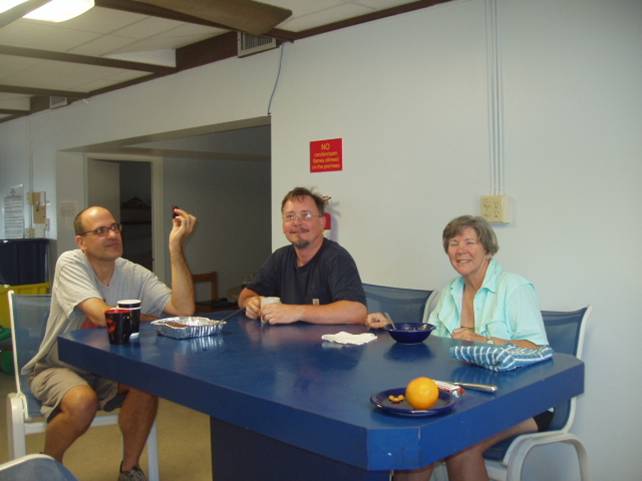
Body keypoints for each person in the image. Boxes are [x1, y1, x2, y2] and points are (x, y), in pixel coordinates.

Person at [367, 215, 548, 481]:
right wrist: (391, 328)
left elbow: (537, 349)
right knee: (418, 444)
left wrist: (483, 339)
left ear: (487, 248)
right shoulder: (450, 292)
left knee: (460, 446)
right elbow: (433, 343)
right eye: (453, 243)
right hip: (468, 397)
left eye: (469, 242)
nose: (460, 250)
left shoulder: (514, 287)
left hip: (523, 401)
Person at [23, 205, 197, 481]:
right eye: (101, 230)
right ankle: (48, 467)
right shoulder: (70, 262)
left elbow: (184, 310)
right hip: (59, 365)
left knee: (147, 382)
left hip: (110, 368)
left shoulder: (134, 272)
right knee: (82, 402)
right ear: (81, 242)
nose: (112, 235)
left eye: (115, 228)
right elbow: (99, 314)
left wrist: (176, 247)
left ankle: (129, 470)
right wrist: (148, 317)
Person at [238, 187, 367, 325]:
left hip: (328, 345)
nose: (297, 222)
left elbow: (357, 311)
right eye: (290, 216)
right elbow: (245, 296)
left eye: (306, 215)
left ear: (322, 222)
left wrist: (296, 312)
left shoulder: (336, 258)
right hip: (288, 343)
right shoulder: (280, 258)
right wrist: (250, 303)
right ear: (283, 225)